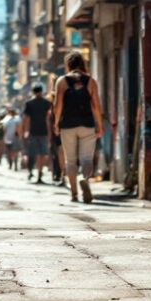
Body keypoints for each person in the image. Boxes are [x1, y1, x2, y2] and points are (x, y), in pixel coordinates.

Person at [53, 51, 104, 203]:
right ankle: (84, 179)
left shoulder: (61, 81)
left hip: (68, 125)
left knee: (70, 160)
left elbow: (58, 105)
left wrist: (56, 123)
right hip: (87, 124)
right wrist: (99, 125)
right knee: (86, 158)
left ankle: (74, 193)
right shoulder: (90, 81)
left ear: (68, 65)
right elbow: (96, 106)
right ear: (83, 64)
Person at [22, 84, 53, 183]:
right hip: (43, 131)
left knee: (33, 154)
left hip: (33, 132)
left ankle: (33, 172)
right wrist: (49, 133)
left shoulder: (29, 103)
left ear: (33, 92)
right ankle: (39, 174)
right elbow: (48, 119)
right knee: (43, 154)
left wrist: (25, 131)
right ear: (41, 91)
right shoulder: (47, 103)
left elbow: (26, 119)